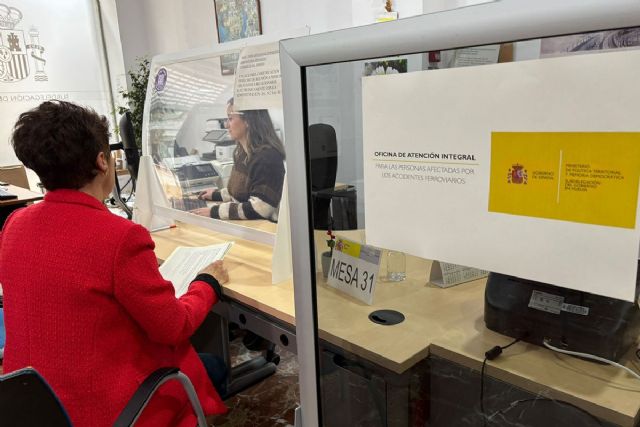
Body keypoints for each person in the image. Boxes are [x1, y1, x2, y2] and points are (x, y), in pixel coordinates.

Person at [0, 101, 229, 427]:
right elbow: (173, 327)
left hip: (31, 405)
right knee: (214, 368)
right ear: (102, 161)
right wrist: (206, 283)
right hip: (103, 410)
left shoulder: (15, 224)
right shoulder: (119, 237)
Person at [191, 98, 286, 222]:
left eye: (230, 118)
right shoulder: (242, 154)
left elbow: (260, 208)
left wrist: (215, 211)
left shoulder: (267, 158)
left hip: (266, 227)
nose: (226, 125)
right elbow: (242, 192)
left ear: (248, 121)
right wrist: (217, 194)